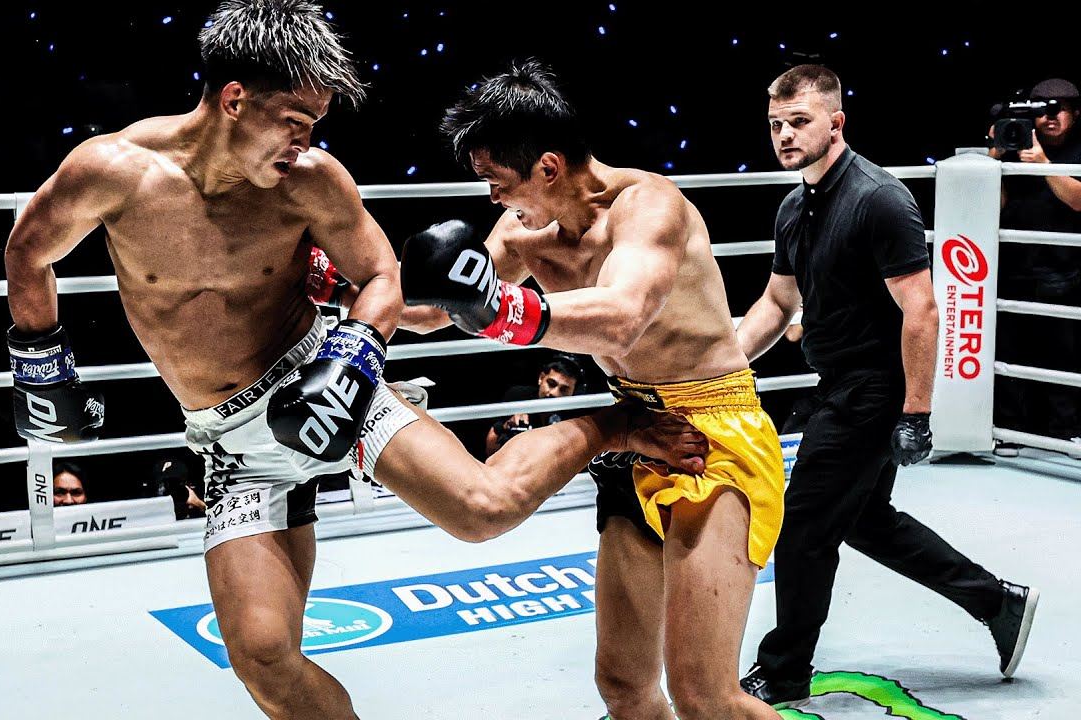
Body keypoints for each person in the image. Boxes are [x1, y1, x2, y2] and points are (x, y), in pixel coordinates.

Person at [2, 3, 704, 717]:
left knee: (481, 510)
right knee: (262, 657)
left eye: (315, 124)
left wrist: (352, 354)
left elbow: (381, 276)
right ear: (234, 99)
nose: (304, 142)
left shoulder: (311, 180)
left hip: (322, 371)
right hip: (231, 440)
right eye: (294, 121)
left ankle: (615, 427)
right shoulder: (111, 170)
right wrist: (42, 367)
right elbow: (29, 249)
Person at [401, 59, 786, 720]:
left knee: (705, 697)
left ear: (548, 168)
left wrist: (506, 313)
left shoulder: (650, 207)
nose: (493, 199)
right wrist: (336, 290)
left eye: (499, 182)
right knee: (625, 688)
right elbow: (442, 309)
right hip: (634, 426)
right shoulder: (523, 231)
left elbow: (624, 312)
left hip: (714, 433)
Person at [735, 64, 1039, 708]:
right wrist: (725, 364)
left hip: (873, 391)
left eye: (799, 121)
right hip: (838, 382)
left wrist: (916, 414)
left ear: (836, 123)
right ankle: (997, 602)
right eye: (776, 124)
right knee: (866, 520)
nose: (785, 135)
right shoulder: (794, 207)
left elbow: (921, 310)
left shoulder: (879, 198)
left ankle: (785, 671)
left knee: (803, 527)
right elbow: (777, 302)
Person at [988, 77, 1081, 457]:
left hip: (1063, 268)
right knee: (1009, 352)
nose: (1050, 117)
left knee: (1063, 353)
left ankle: (1066, 431)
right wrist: (994, 157)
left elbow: (1078, 200)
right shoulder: (1012, 144)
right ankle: (1010, 429)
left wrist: (1043, 164)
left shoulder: (1077, 149)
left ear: (1075, 113)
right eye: (1041, 110)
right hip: (1013, 265)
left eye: (1059, 109)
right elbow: (990, 205)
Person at [485, 353, 586, 456]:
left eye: (564, 390)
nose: (555, 393)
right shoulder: (518, 398)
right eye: (551, 384)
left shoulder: (577, 416)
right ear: (541, 378)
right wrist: (507, 426)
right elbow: (490, 451)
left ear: (573, 392)